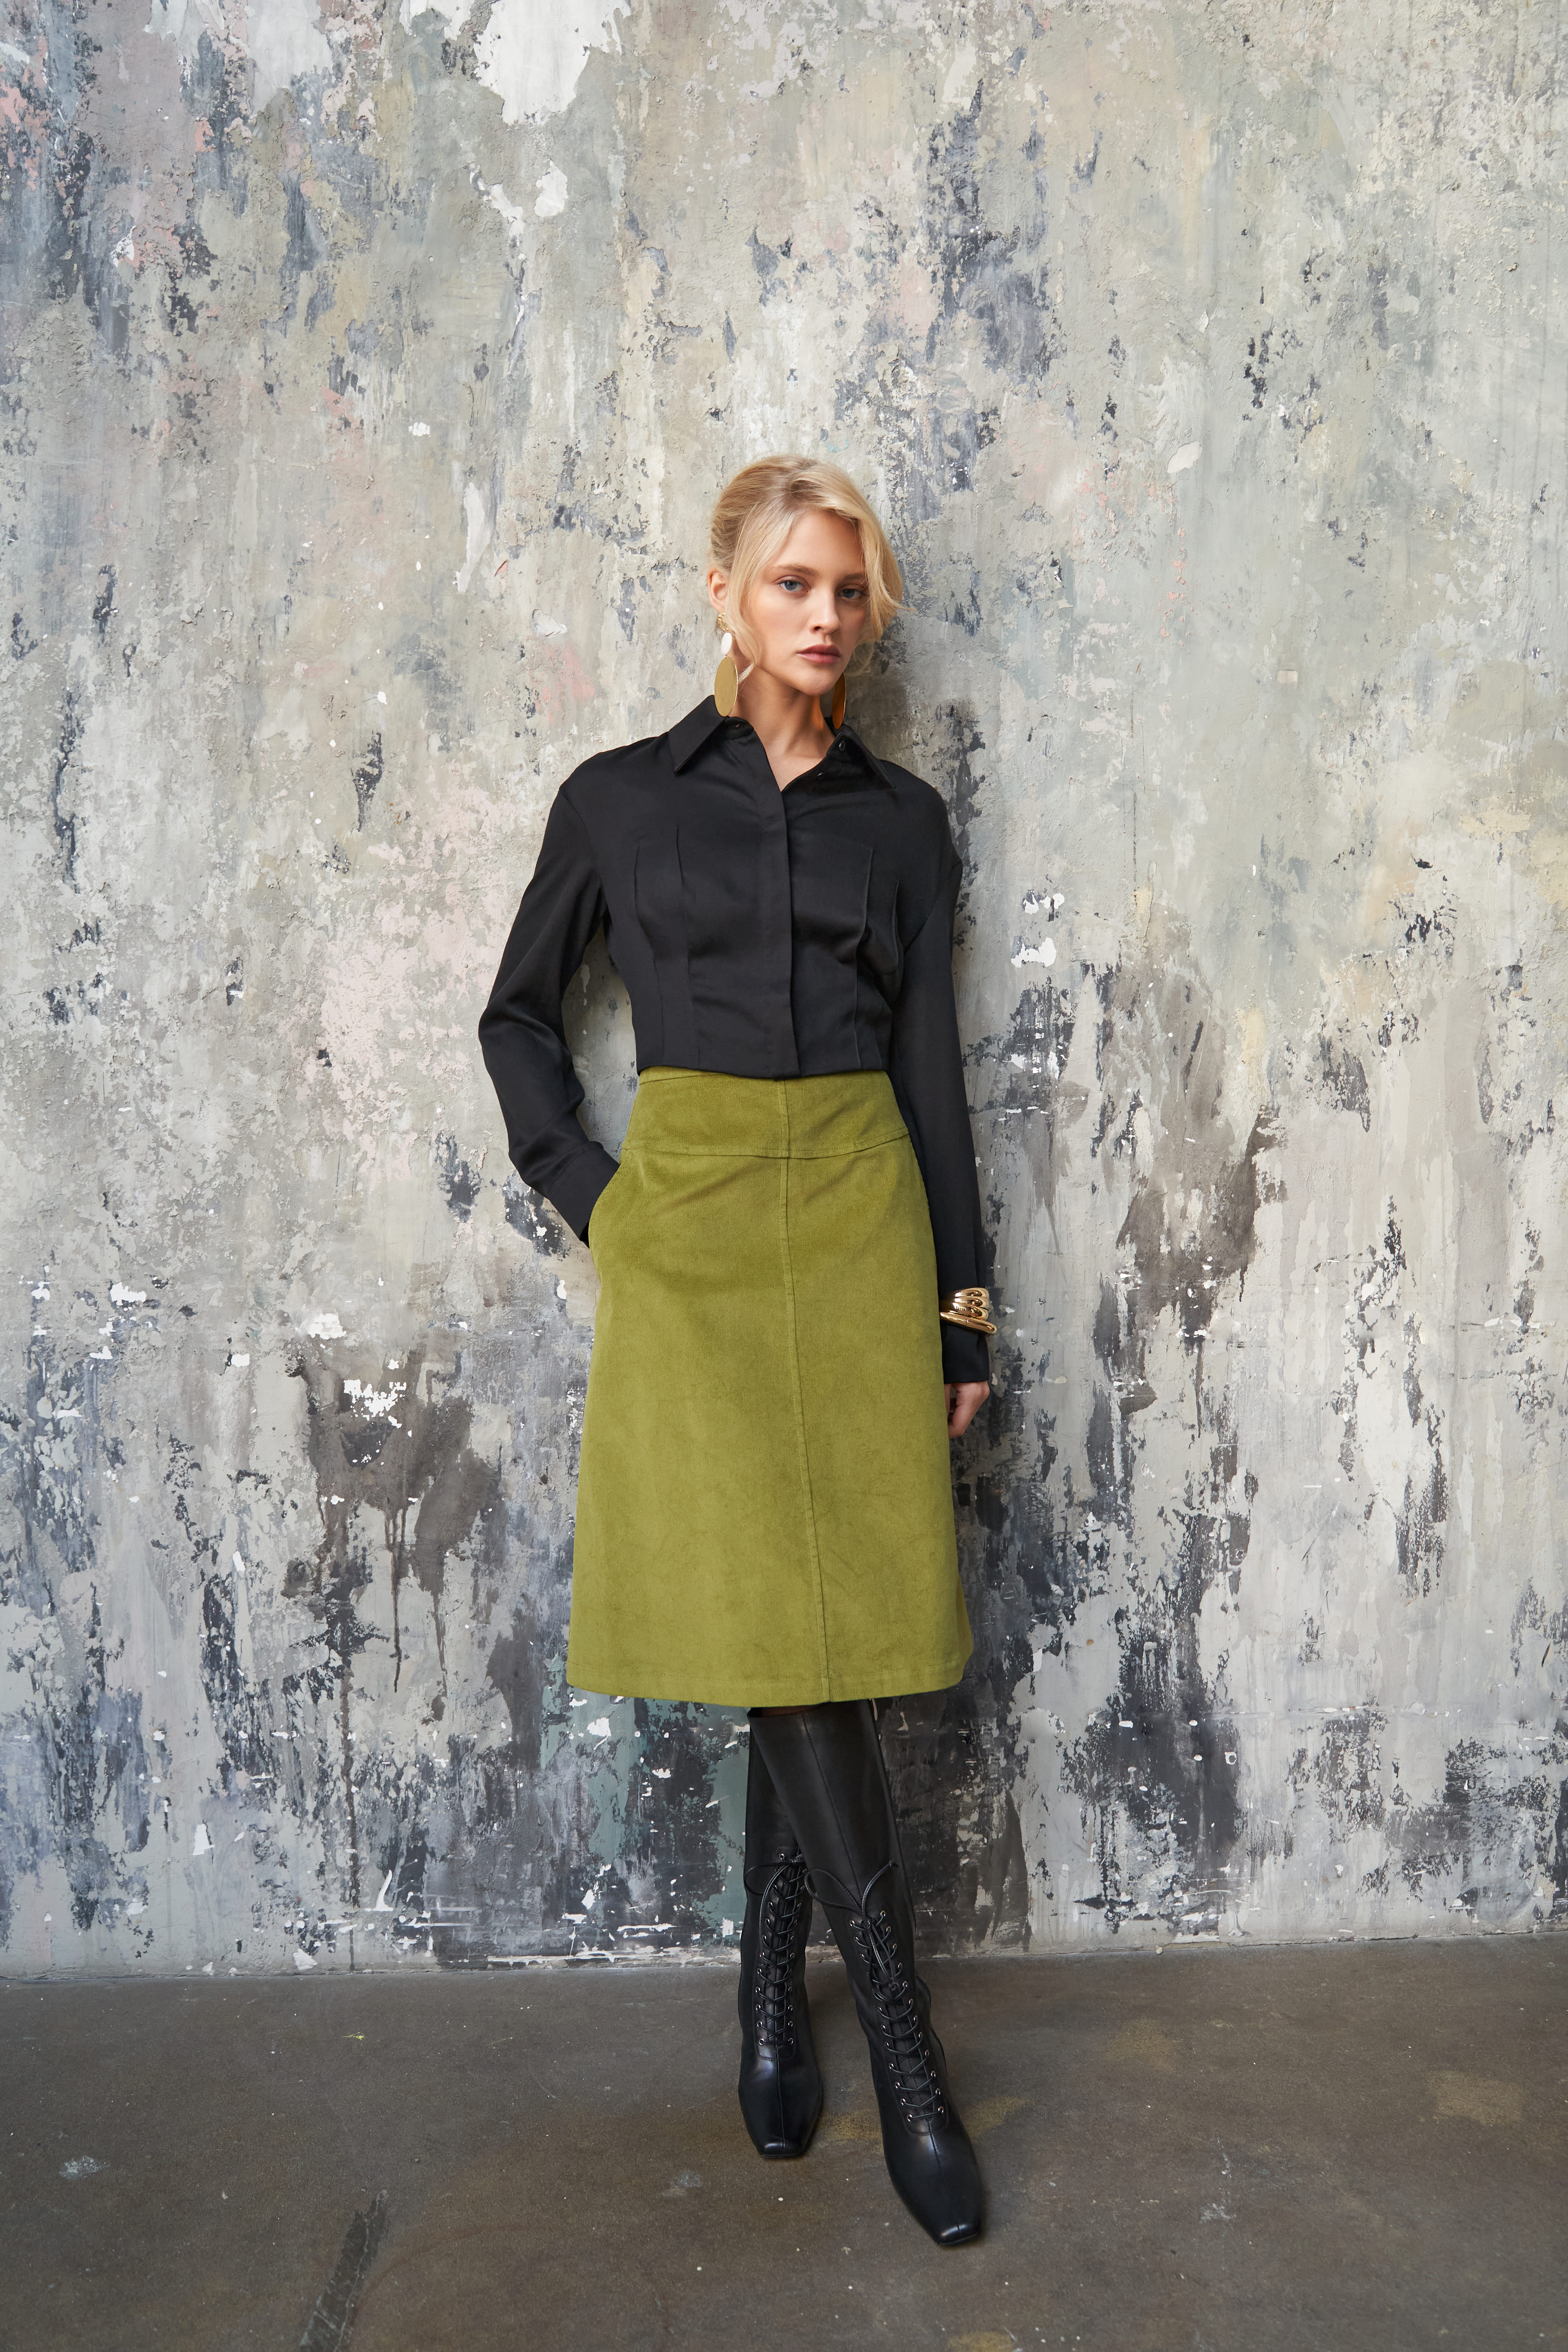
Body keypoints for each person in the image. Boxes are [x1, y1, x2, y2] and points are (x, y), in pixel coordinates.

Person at [477, 454, 996, 2247]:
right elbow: (517, 1017)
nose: (824, 617)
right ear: (724, 593)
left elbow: (931, 1071)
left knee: (821, 1632)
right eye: (792, 583)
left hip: (858, 1217)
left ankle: (778, 1998)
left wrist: (961, 1302)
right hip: (688, 1228)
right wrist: (598, 1201)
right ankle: (905, 2057)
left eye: (848, 590)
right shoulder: (618, 801)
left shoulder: (902, 824)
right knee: (786, 1631)